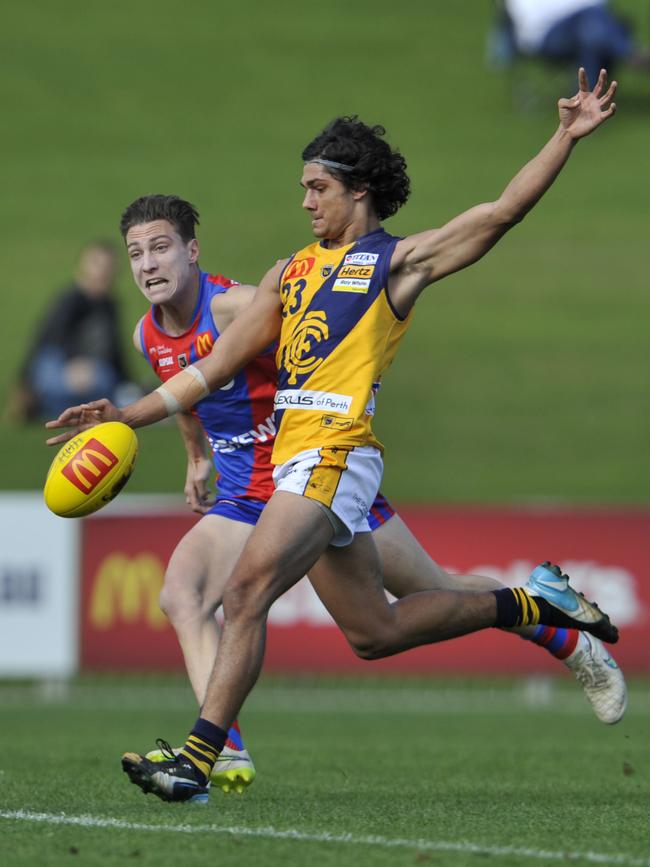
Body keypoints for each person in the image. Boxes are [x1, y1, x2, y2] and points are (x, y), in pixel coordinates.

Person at [48, 69, 621, 804]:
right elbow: (215, 365)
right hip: (296, 465)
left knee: (247, 589)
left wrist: (564, 136)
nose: (305, 200)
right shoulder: (288, 273)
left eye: (317, 187)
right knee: (374, 632)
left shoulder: (397, 262)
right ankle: (532, 605)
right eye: (304, 188)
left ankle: (198, 761)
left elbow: (501, 212)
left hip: (338, 454)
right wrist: (124, 415)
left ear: (359, 191)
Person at [10, 241, 140, 422]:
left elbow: (115, 352)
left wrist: (129, 382)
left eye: (108, 266)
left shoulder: (110, 306)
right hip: (61, 366)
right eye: (97, 264)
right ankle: (43, 405)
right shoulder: (69, 301)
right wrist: (25, 382)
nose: (103, 271)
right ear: (83, 267)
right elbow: (46, 340)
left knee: (115, 386)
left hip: (97, 372)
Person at [502, 0, 648, 87]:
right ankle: (630, 54)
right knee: (590, 25)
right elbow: (532, 22)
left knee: (591, 35)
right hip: (544, 38)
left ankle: (583, 104)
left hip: (585, 30)